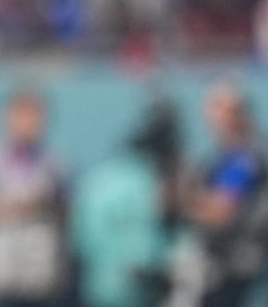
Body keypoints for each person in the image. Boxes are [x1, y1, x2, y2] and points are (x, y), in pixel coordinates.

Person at [72, 99, 185, 307]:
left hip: (98, 290)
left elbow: (80, 241)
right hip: (138, 292)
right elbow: (155, 247)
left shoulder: (98, 179)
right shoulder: (152, 182)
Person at [0, 91, 68, 307]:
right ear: (6, 117)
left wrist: (43, 203)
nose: (27, 123)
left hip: (40, 271)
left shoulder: (56, 162)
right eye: (21, 115)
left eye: (34, 116)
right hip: (0, 269)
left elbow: (67, 212)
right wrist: (10, 205)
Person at [183, 80, 268, 307]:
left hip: (233, 267)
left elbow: (221, 212)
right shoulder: (228, 156)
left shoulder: (243, 159)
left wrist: (182, 202)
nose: (211, 116)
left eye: (218, 107)